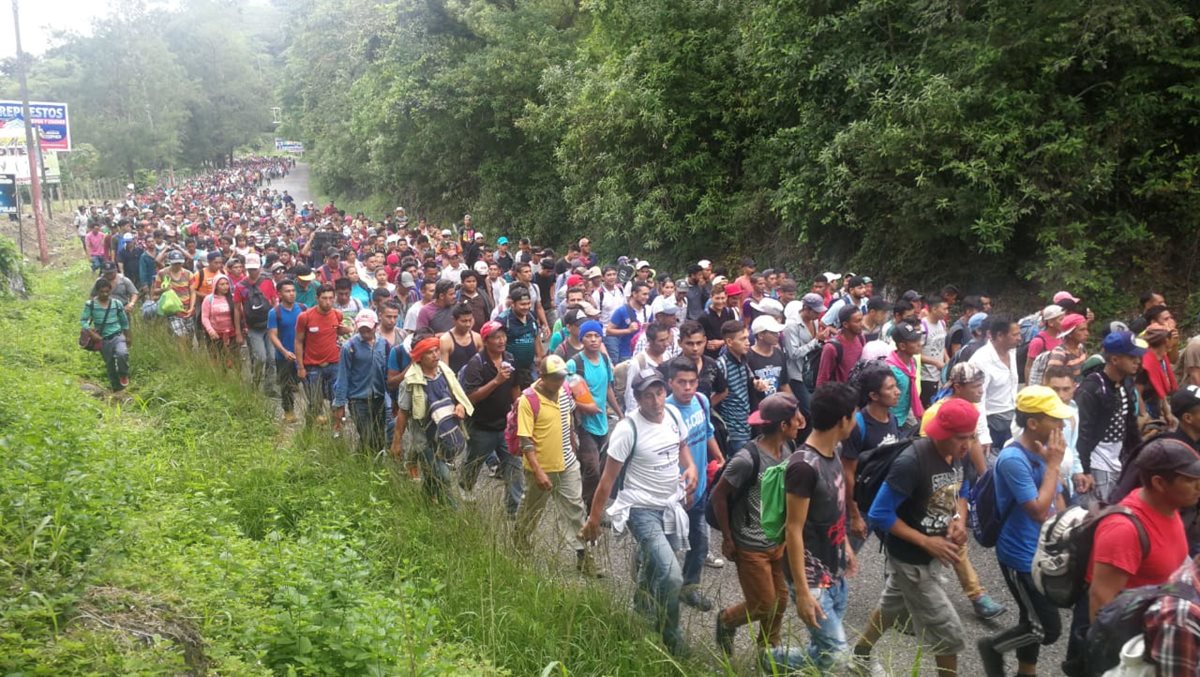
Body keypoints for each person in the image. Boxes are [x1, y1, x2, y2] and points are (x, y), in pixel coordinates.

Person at [855, 398, 980, 677]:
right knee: (948, 632)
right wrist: (926, 542)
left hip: (931, 555)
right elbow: (879, 513)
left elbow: (962, 489)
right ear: (943, 433)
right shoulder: (912, 462)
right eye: (962, 438)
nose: (968, 444)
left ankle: (860, 654)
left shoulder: (959, 454)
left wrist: (958, 519)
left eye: (971, 436)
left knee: (891, 605)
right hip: (910, 560)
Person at [581, 369, 697, 657]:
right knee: (672, 576)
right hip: (640, 509)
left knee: (654, 563)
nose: (656, 401)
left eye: (659, 393)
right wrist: (593, 519)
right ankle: (671, 635)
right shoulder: (627, 429)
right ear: (637, 397)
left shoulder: (673, 415)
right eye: (648, 396)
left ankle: (641, 605)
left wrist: (691, 467)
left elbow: (682, 446)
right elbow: (606, 481)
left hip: (670, 505)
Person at [1063, 437, 1200, 676]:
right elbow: (1100, 601)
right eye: (1191, 481)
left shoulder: (1167, 507)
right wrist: (1114, 664)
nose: (1199, 487)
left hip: (1157, 626)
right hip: (1125, 644)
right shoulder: (1124, 530)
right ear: (1159, 483)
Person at [977, 386, 1074, 677]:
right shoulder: (1013, 459)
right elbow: (1039, 510)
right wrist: (1053, 465)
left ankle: (1025, 671)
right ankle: (993, 647)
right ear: (1032, 423)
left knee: (1030, 616)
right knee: (1048, 629)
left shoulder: (1043, 451)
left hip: (1042, 551)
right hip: (1020, 557)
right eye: (1054, 419)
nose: (1061, 425)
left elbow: (1057, 498)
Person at [712, 393, 803, 662]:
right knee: (763, 603)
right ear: (783, 425)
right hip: (751, 544)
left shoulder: (789, 447)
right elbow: (718, 496)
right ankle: (727, 620)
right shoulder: (746, 459)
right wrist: (727, 538)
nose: (801, 421)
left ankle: (768, 654)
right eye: (796, 418)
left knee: (781, 601)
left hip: (778, 540)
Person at [784, 382, 859, 671]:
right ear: (842, 420)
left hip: (835, 571)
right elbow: (793, 529)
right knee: (837, 656)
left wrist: (846, 545)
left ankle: (769, 661)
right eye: (854, 414)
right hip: (812, 579)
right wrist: (802, 592)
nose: (856, 420)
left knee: (823, 652)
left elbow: (835, 508)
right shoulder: (803, 467)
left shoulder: (834, 450)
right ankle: (772, 658)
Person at [513, 355, 603, 577]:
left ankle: (584, 557)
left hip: (568, 464)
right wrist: (538, 471)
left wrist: (573, 445)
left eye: (562, 377)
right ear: (542, 376)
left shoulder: (564, 391)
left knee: (575, 510)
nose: (559, 382)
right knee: (532, 510)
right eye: (554, 378)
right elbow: (525, 440)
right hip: (541, 468)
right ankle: (520, 540)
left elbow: (568, 418)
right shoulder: (528, 400)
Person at [665, 357, 724, 611]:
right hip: (673, 495)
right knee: (666, 548)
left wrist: (719, 457)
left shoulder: (701, 401)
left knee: (699, 544)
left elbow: (707, 432)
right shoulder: (665, 412)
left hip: (699, 491)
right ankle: (651, 591)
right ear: (670, 383)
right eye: (681, 382)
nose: (687, 388)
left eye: (692, 382)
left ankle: (689, 589)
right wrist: (679, 489)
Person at [391, 334, 475, 504]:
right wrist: (397, 442)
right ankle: (452, 512)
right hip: (425, 439)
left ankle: (425, 502)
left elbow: (457, 394)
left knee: (432, 476)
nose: (436, 355)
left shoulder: (445, 372)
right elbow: (403, 413)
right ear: (419, 357)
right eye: (430, 352)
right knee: (444, 476)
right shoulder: (409, 382)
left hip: (446, 434)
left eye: (437, 350)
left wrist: (460, 405)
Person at [458, 321, 522, 514]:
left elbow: (515, 387)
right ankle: (465, 487)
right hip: (481, 427)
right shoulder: (476, 363)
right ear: (486, 341)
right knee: (473, 464)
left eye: (503, 336)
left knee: (514, 468)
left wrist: (519, 410)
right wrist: (496, 381)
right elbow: (471, 397)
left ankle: (513, 511)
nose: (501, 340)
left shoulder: (510, 358)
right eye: (496, 337)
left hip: (506, 425)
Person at [1076, 330, 1146, 505]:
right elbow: (1083, 431)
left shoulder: (1124, 383)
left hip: (1119, 459)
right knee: (1102, 510)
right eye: (1132, 357)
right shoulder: (1093, 388)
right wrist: (1085, 469)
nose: (1138, 361)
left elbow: (1130, 425)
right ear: (1114, 359)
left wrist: (1139, 455)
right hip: (1098, 462)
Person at [570, 320, 619, 512]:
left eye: (597, 336)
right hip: (583, 425)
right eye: (588, 336)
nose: (593, 340)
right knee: (592, 469)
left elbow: (608, 389)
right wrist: (586, 408)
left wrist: (620, 413)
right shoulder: (575, 364)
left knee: (600, 467)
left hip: (602, 424)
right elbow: (563, 396)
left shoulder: (605, 360)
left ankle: (587, 503)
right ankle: (589, 509)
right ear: (581, 339)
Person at [331, 309, 390, 455]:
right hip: (358, 399)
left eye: (368, 328)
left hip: (379, 398)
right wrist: (340, 404)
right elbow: (343, 376)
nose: (365, 332)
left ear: (376, 326)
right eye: (362, 328)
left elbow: (388, 373)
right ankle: (365, 462)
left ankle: (366, 462)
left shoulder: (384, 344)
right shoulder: (349, 347)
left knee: (379, 437)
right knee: (367, 435)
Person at [295, 285, 347, 425]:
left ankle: (336, 429)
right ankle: (310, 429)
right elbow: (298, 341)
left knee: (336, 399)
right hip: (313, 366)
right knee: (315, 401)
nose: (328, 302)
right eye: (324, 298)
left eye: (331, 298)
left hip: (334, 364)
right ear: (317, 298)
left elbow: (340, 332)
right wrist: (300, 367)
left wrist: (346, 330)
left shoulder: (337, 315)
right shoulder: (305, 317)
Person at [970, 315, 1021, 450]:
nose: (1019, 338)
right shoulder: (981, 360)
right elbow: (977, 400)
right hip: (992, 423)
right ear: (999, 336)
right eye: (1015, 335)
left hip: (1012, 419)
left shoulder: (1012, 352)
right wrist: (983, 435)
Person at [235, 254, 277, 391]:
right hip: (253, 327)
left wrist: (278, 324)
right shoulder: (240, 286)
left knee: (272, 358)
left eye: (255, 268)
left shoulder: (268, 282)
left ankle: (269, 387)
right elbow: (237, 309)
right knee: (260, 358)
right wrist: (238, 332)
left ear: (260, 267)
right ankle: (256, 382)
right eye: (250, 269)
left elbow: (274, 302)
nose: (253, 272)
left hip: (269, 326)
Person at [82, 278, 131, 394]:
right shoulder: (91, 305)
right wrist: (92, 333)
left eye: (107, 292)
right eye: (102, 292)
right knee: (110, 363)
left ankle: (123, 374)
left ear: (110, 291)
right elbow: (84, 321)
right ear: (97, 291)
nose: (105, 294)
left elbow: (124, 321)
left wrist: (128, 336)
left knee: (122, 353)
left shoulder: (117, 304)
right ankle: (116, 388)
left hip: (117, 335)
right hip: (103, 339)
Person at [267, 279, 305, 423]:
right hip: (284, 356)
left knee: (309, 383)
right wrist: (284, 351)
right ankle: (289, 411)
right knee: (286, 386)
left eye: (293, 290)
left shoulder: (303, 309)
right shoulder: (274, 313)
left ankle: (317, 412)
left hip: (304, 355)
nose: (291, 294)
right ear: (280, 294)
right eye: (287, 291)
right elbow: (272, 335)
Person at [716, 319, 755, 453]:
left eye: (747, 338)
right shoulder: (721, 365)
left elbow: (750, 381)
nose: (748, 342)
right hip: (733, 432)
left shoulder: (744, 359)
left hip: (747, 425)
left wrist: (757, 384)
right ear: (729, 342)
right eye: (743, 339)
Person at [499, 287, 543, 388]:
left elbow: (536, 337)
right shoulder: (504, 320)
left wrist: (539, 357)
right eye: (522, 304)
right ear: (513, 304)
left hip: (530, 368)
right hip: (511, 369)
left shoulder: (531, 316)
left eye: (528, 303)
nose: (526, 307)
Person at [746, 315, 791, 411]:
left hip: (776, 409)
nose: (777, 335)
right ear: (760, 335)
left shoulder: (779, 353)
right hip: (756, 410)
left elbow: (784, 384)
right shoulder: (747, 356)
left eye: (777, 332)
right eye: (773, 332)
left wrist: (794, 407)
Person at [887, 320, 926, 428]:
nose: (919, 344)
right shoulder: (891, 370)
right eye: (914, 341)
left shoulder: (912, 362)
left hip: (906, 414)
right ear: (902, 346)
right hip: (892, 419)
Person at [815, 306, 865, 386]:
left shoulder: (860, 338)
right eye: (858, 321)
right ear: (845, 324)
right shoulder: (831, 348)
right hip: (839, 392)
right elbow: (822, 379)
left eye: (862, 319)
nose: (862, 324)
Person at [200, 275, 242, 367]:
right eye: (222, 284)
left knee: (236, 361)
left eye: (227, 284)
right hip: (216, 335)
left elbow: (240, 314)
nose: (225, 286)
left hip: (232, 335)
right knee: (219, 361)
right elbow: (204, 317)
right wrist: (210, 331)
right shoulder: (209, 299)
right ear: (216, 286)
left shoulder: (233, 297)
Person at [606, 281, 651, 362]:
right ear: (634, 294)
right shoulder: (621, 311)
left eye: (648, 294)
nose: (647, 297)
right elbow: (608, 331)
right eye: (644, 294)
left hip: (644, 352)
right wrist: (628, 330)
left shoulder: (648, 310)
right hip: (626, 354)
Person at [919, 297, 950, 406]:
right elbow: (916, 354)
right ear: (934, 309)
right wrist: (935, 362)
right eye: (944, 309)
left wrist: (947, 358)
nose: (947, 312)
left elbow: (941, 345)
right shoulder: (922, 327)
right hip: (926, 377)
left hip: (940, 376)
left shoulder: (942, 323)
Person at [1023, 304, 1065, 383]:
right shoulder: (1038, 341)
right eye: (1061, 319)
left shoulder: (1063, 337)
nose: (1064, 322)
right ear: (1050, 322)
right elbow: (1029, 366)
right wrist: (1029, 386)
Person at [439, 304, 482, 375]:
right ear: (454, 320)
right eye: (464, 321)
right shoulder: (445, 340)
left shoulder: (477, 338)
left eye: (470, 320)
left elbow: (482, 364)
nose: (468, 324)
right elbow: (445, 370)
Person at [699, 282, 737, 359]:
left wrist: (722, 342)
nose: (720, 301)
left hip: (727, 353)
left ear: (726, 297)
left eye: (722, 298)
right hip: (710, 355)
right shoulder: (704, 316)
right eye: (717, 298)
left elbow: (734, 334)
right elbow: (700, 337)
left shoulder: (729, 312)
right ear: (711, 297)